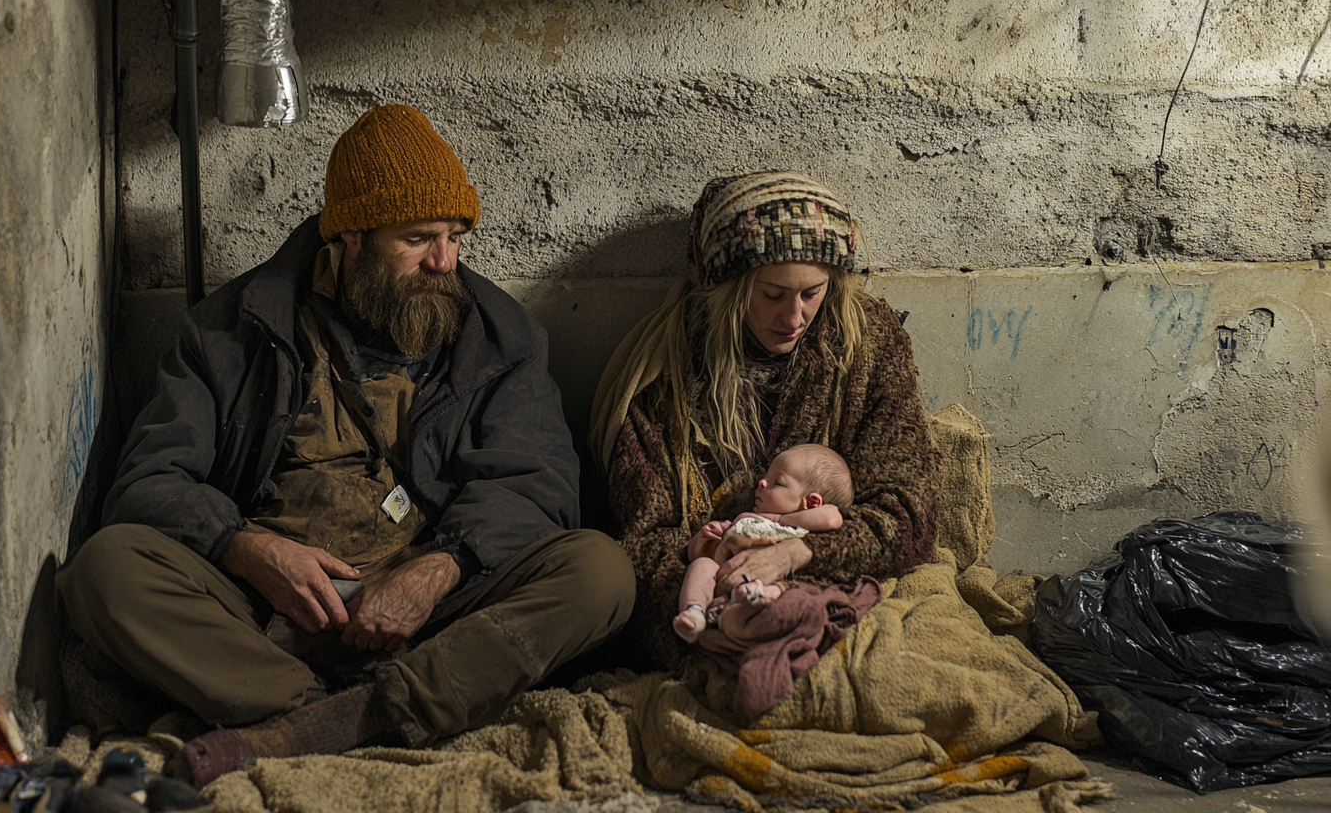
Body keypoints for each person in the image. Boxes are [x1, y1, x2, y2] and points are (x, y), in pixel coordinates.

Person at [56, 104, 635, 787]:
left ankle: (314, 728)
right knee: (105, 569)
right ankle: (346, 710)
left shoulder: (499, 335)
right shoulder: (230, 332)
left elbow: (537, 485)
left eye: (454, 236)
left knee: (601, 571)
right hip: (267, 619)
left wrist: (441, 568)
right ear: (351, 238)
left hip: (431, 617)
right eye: (417, 239)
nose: (444, 261)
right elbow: (147, 484)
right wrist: (246, 548)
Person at [591, 170, 940, 669]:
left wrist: (800, 553)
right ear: (728, 289)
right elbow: (647, 541)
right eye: (772, 295)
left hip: (839, 582)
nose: (794, 317)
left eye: (813, 293)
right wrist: (696, 614)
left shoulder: (869, 347)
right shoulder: (662, 374)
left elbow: (908, 513)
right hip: (711, 599)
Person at [674, 443, 850, 642]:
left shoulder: (799, 528)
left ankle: (743, 607)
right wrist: (705, 540)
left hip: (767, 587)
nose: (761, 483)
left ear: (811, 503)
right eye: (766, 476)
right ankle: (694, 612)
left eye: (778, 483)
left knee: (789, 593)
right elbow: (707, 556)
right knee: (701, 566)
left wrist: (780, 520)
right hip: (726, 578)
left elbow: (832, 518)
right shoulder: (744, 519)